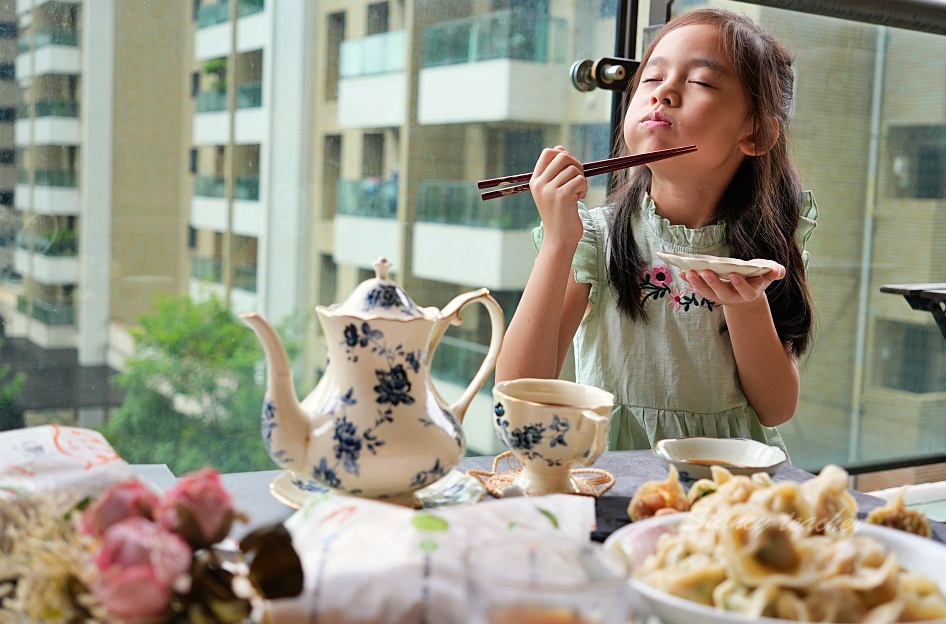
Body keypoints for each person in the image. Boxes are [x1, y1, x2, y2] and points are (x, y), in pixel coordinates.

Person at [495, 8, 818, 452]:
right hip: (615, 475)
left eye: (701, 82)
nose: (663, 92)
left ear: (756, 134)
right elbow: (518, 389)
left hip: (726, 480)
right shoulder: (595, 237)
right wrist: (557, 242)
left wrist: (746, 304)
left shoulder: (766, 240)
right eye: (650, 78)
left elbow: (776, 408)